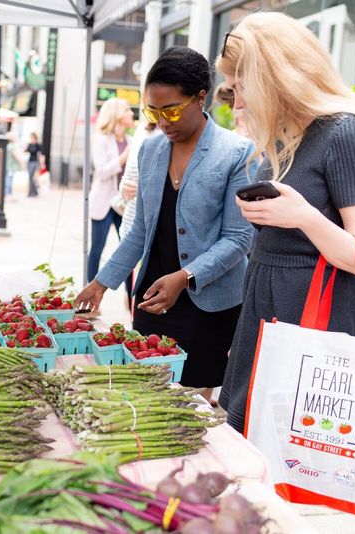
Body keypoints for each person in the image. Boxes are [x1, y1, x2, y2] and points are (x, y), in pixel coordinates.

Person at [216, 12, 355, 434]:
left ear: (276, 76)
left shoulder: (348, 134)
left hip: (311, 321)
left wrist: (304, 217)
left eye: (241, 87)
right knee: (251, 444)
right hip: (266, 311)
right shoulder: (290, 135)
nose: (236, 103)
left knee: (286, 449)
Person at [75, 47, 255, 395]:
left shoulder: (235, 153)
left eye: (171, 110)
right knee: (145, 392)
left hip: (210, 304)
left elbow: (237, 238)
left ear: (200, 97)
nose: (162, 122)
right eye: (153, 111)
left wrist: (186, 277)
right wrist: (102, 282)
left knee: (192, 406)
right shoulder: (150, 150)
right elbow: (141, 227)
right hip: (153, 299)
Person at [86, 98, 134, 287]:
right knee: (97, 248)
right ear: (116, 115)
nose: (131, 113)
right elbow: (102, 171)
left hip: (124, 203)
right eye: (127, 109)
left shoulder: (131, 140)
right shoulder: (101, 139)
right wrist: (124, 157)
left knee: (129, 251)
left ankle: (130, 298)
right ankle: (90, 294)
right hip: (103, 202)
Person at [119, 120, 160, 239]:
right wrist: (123, 188)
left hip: (155, 231)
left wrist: (144, 190)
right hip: (130, 225)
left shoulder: (176, 133)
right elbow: (129, 173)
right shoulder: (142, 129)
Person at [5, 131, 25, 198]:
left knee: (7, 179)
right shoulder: (12, 147)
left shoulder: (7, 146)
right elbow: (17, 156)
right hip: (11, 167)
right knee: (9, 180)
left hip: (7, 166)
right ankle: (8, 194)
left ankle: (7, 193)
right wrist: (22, 164)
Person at [25, 132, 43, 197]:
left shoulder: (38, 145)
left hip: (35, 162)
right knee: (30, 177)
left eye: (32, 137)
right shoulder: (29, 144)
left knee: (32, 177)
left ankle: (33, 191)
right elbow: (25, 151)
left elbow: (41, 154)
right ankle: (32, 191)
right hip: (30, 161)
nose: (32, 139)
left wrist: (42, 163)